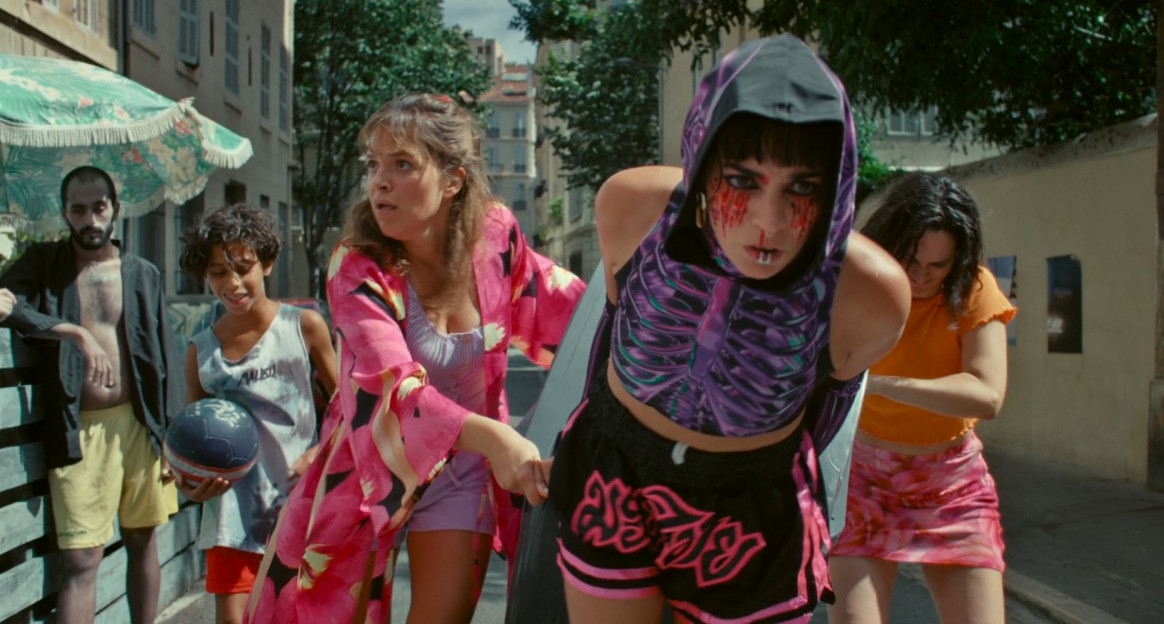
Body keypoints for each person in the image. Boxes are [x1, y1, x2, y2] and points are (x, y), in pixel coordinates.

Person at [545, 34, 911, 623]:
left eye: (802, 188)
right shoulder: (632, 209)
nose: (771, 222)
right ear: (703, 158)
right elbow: (611, 337)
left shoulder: (869, 294)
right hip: (614, 475)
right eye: (742, 180)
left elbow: (828, 414)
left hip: (752, 508)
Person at [245, 93, 585, 623]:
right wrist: (499, 439)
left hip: (463, 470)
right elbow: (393, 390)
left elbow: (569, 309)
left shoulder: (496, 236)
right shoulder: (356, 262)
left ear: (453, 180)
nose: (379, 182)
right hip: (367, 465)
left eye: (402, 164)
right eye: (374, 165)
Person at [828, 173, 1016, 624]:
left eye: (938, 265)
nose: (921, 275)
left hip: (952, 482)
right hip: (863, 482)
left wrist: (879, 384)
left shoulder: (973, 288)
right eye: (911, 260)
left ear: (959, 259)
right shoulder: (858, 283)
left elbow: (987, 395)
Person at [0, 166, 180, 624]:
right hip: (79, 431)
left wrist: (171, 437)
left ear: (115, 209)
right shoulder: (44, 264)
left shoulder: (142, 273)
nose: (90, 219)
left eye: (98, 208)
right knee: (81, 559)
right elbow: (5, 302)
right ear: (65, 213)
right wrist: (73, 332)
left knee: (143, 540)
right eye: (78, 210)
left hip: (140, 426)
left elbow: (166, 354)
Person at [175, 203, 337, 624]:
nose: (232, 283)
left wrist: (319, 451)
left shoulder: (304, 327)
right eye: (218, 272)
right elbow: (188, 443)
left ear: (267, 263)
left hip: (300, 511)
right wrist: (189, 482)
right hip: (231, 523)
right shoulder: (200, 353)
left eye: (243, 268)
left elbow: (348, 409)